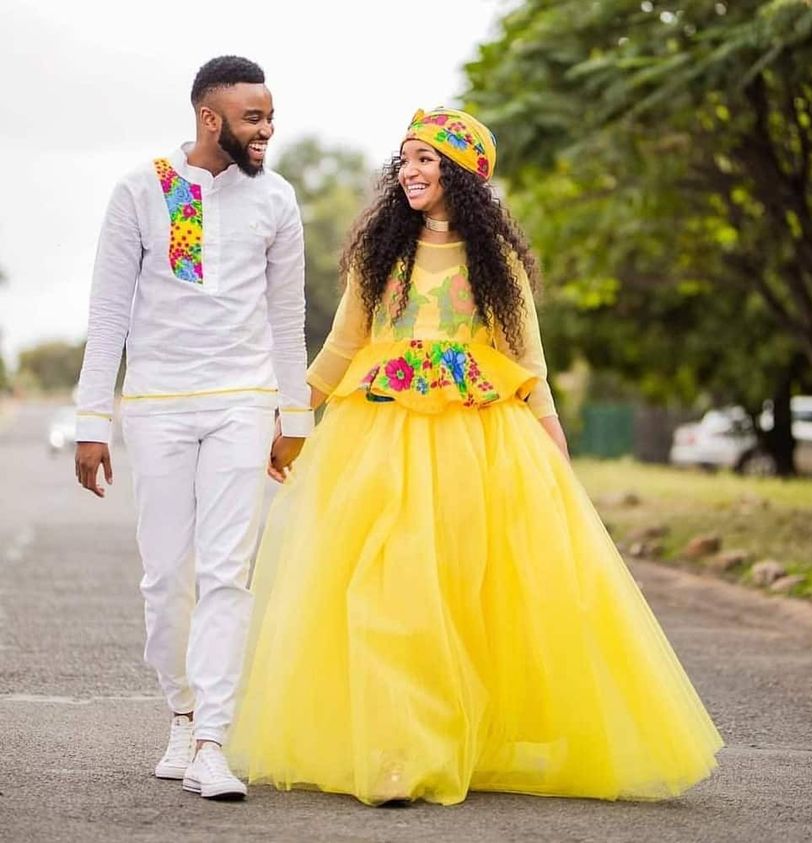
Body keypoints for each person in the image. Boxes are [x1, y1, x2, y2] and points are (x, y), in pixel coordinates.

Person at [227, 107, 723, 806]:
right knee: (389, 592)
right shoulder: (380, 256)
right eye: (403, 160)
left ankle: (466, 738)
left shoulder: (498, 264)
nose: (410, 171)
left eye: (425, 159)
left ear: (460, 173)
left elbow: (527, 358)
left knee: (460, 595)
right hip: (380, 444)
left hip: (477, 445)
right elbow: (341, 346)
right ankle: (399, 754)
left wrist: (551, 440)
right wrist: (291, 416)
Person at [74, 55, 313, 801]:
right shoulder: (142, 189)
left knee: (224, 575)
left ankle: (213, 738)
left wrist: (293, 415)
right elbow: (109, 311)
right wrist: (92, 420)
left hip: (243, 402)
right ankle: (179, 711)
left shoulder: (276, 199)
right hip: (156, 407)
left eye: (270, 116)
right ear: (210, 119)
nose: (267, 129)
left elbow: (285, 318)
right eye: (253, 117)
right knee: (164, 576)